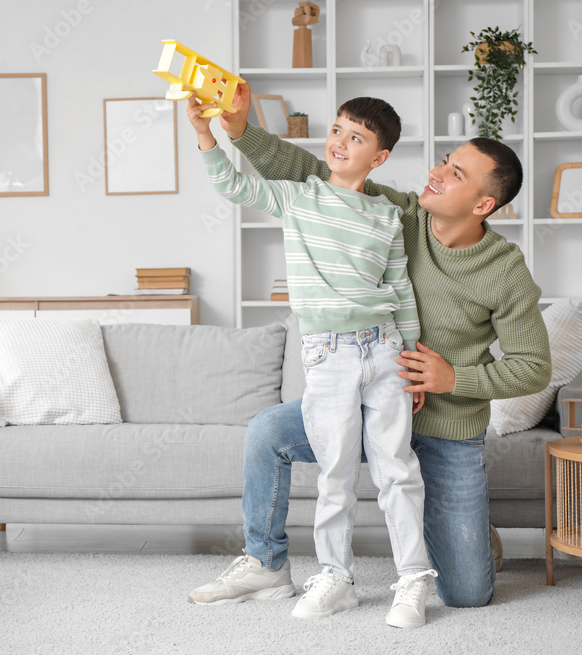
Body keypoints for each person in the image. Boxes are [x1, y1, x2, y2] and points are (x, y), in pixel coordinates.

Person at [189, 82, 551, 614]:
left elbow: (534, 367)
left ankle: (467, 530)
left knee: (469, 594)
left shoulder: (505, 270)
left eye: (455, 173)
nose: (437, 172)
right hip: (369, 397)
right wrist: (238, 129)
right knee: (268, 431)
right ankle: (266, 564)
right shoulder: (399, 215)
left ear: (482, 203)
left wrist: (453, 379)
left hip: (445, 429)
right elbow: (312, 175)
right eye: (445, 160)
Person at [186, 94, 439, 627]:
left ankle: (413, 581)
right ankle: (336, 578)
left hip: (387, 348)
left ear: (380, 157)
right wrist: (208, 135)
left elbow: (400, 288)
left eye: (357, 137)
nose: (340, 142)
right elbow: (234, 185)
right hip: (329, 355)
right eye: (338, 130)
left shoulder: (387, 214)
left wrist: (413, 360)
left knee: (398, 471)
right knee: (336, 473)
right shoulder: (299, 197)